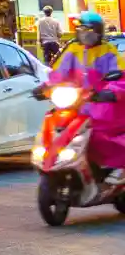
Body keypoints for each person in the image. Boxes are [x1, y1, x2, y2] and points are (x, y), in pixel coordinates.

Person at [50, 11, 125, 183]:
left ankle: (115, 168)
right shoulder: (72, 50)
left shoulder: (108, 51)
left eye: (90, 29)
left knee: (102, 135)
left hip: (102, 105)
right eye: (82, 29)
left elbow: (120, 76)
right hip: (76, 104)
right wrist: (45, 87)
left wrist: (110, 92)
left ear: (99, 31)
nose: (86, 33)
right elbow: (58, 73)